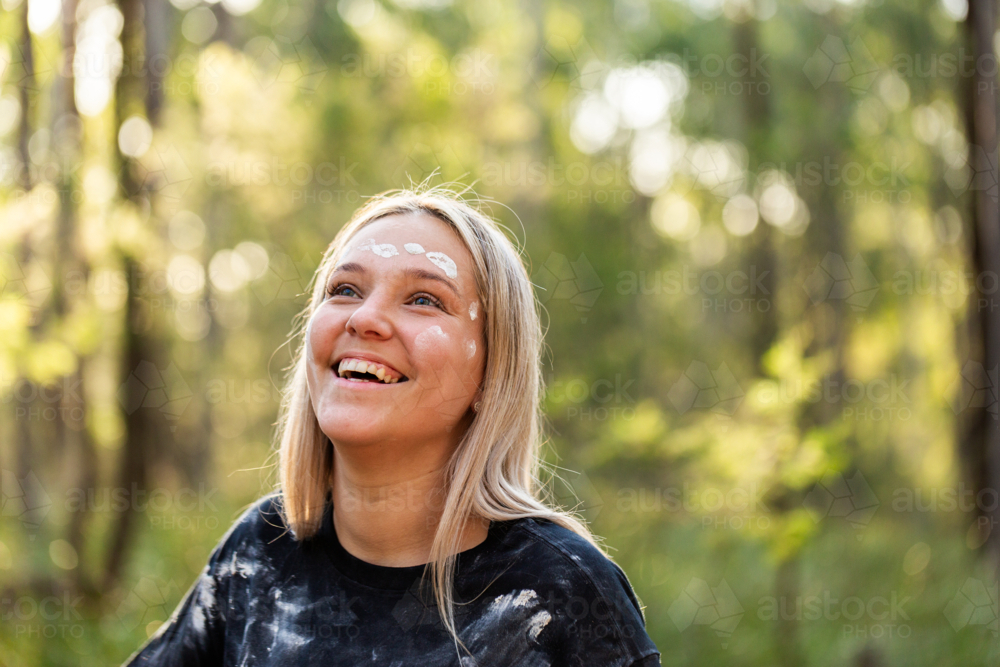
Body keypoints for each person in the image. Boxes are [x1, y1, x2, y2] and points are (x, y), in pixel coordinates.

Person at [122, 185, 662, 666]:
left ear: (490, 376)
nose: (364, 318)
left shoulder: (563, 592)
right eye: (345, 290)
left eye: (424, 299)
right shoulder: (261, 553)